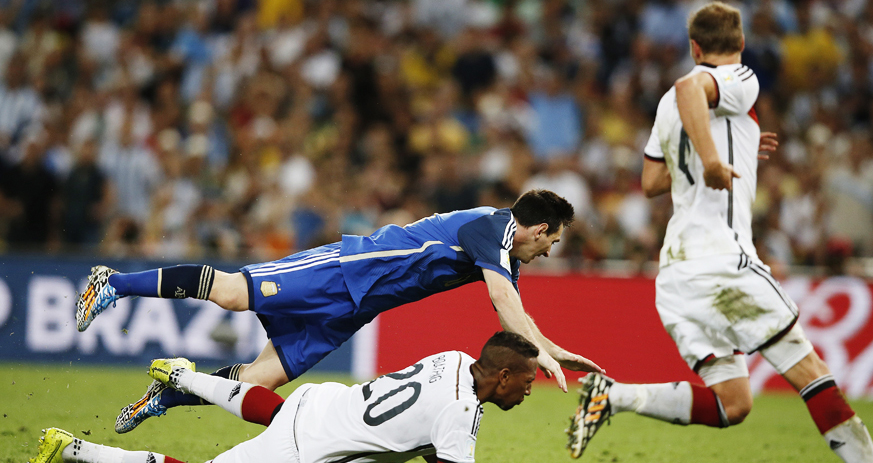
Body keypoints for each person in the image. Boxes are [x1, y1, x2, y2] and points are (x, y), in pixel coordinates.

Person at [564, 2, 873, 463]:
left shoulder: (665, 106)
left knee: (734, 404)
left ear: (694, 44)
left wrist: (734, 144)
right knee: (808, 368)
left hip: (676, 276)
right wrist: (714, 159)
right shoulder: (735, 77)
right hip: (723, 261)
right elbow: (690, 90)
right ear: (739, 45)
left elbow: (653, 181)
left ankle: (612, 397)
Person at [76, 189, 602, 433]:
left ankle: (169, 393)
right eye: (551, 242)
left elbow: (515, 307)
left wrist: (555, 352)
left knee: (260, 382)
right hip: (347, 269)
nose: (549, 251)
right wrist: (546, 359)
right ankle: (114, 283)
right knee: (235, 292)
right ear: (537, 228)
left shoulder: (506, 249)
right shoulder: (496, 229)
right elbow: (503, 302)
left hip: (356, 306)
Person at [28, 331, 534, 463]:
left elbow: (427, 432)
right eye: (528, 382)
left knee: (272, 408)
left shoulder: (453, 359)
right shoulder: (464, 410)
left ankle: (183, 376)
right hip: (303, 455)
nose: (530, 392)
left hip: (320, 402)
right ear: (505, 377)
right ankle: (75, 448)